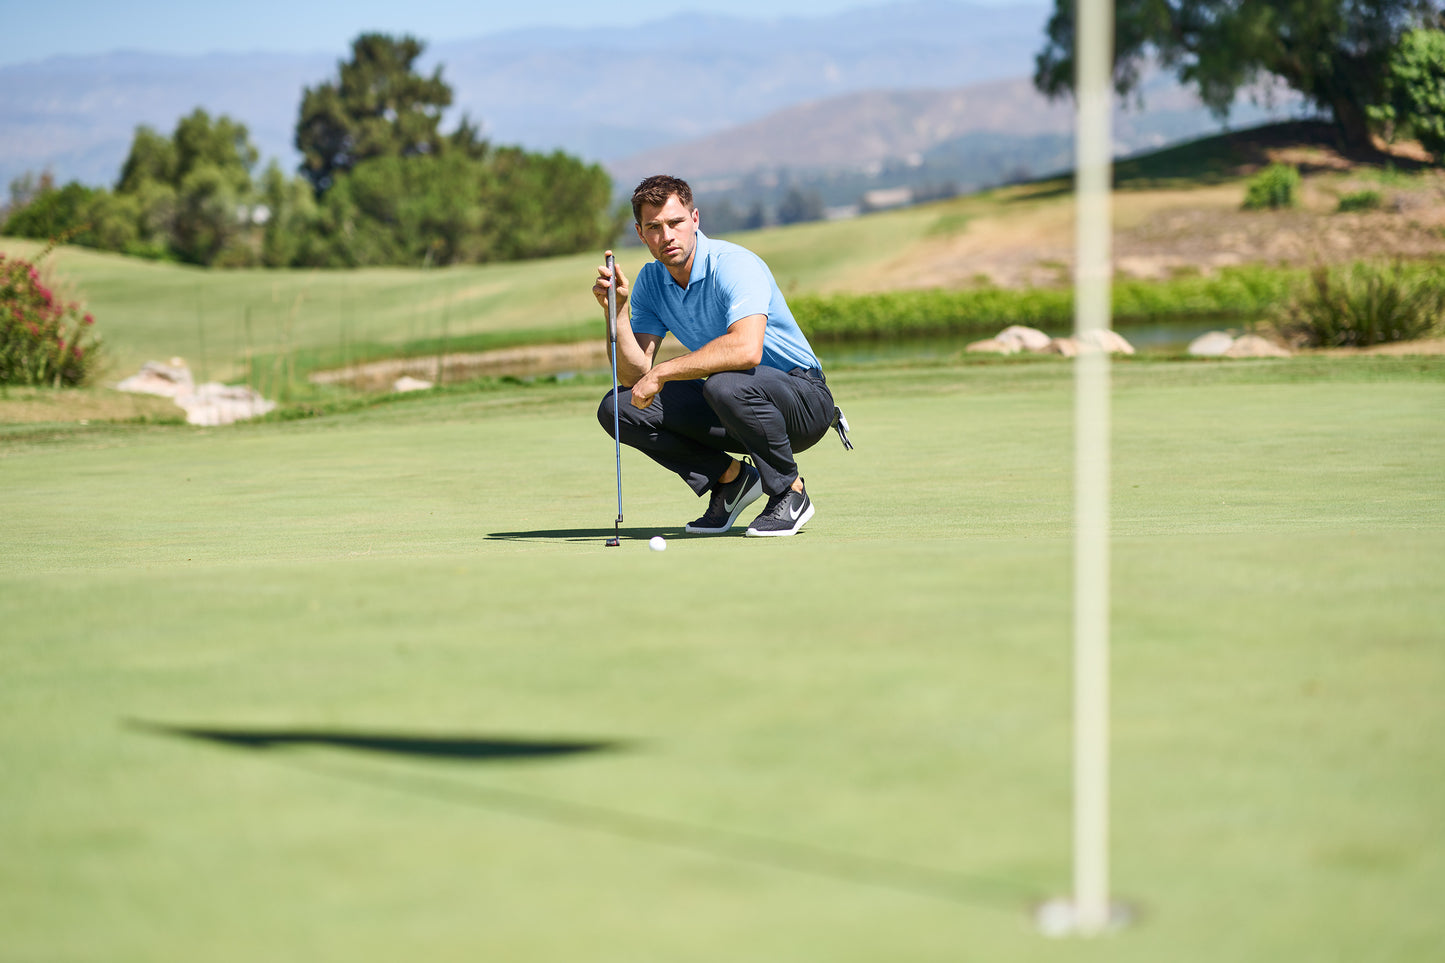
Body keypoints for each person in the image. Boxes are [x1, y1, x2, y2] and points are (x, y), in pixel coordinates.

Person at [592, 174, 848, 537]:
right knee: (619, 408)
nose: (666, 236)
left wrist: (663, 372)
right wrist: (616, 313)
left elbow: (746, 349)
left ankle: (790, 492)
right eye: (654, 227)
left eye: (676, 223)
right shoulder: (650, 282)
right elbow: (634, 378)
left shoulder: (734, 264)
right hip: (731, 404)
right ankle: (731, 481)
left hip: (803, 401)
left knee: (725, 383)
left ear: (695, 219)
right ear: (640, 233)